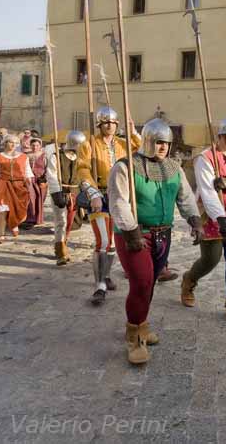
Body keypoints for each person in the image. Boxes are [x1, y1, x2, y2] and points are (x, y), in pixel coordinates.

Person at [108, 119, 202, 365]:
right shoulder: (126, 166)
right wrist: (131, 231)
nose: (163, 147)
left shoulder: (174, 168)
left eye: (166, 143)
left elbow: (185, 197)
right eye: (158, 142)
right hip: (135, 234)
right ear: (148, 140)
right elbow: (118, 201)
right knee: (141, 282)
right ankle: (134, 336)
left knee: (149, 284)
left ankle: (142, 324)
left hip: (164, 234)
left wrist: (195, 220)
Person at [181, 116, 226, 325]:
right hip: (211, 215)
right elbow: (207, 192)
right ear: (221, 135)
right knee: (211, 259)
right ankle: (189, 280)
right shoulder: (205, 158)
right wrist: (220, 219)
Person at [77, 106, 142, 306]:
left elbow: (138, 147)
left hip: (119, 196)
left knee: (114, 242)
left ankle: (105, 275)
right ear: (99, 124)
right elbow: (82, 169)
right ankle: (99, 286)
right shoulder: (89, 144)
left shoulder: (123, 143)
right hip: (99, 195)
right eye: (106, 123)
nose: (110, 126)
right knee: (103, 240)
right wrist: (93, 194)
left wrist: (132, 130)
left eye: (113, 123)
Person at [47, 131, 85, 265]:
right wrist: (56, 193)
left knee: (70, 222)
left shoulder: (80, 157)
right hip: (61, 191)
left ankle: (64, 243)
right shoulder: (56, 156)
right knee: (61, 221)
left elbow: (84, 175)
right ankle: (61, 251)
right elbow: (51, 175)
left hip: (75, 193)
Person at [0, 135, 32, 243]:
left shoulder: (24, 157)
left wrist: (29, 184)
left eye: (15, 143)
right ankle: (1, 234)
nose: (13, 145)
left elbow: (27, 172)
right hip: (2, 184)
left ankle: (14, 223)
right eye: (10, 142)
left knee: (18, 210)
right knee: (3, 209)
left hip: (19, 186)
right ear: (5, 143)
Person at [23, 138, 47, 227]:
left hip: (41, 179)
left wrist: (45, 179)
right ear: (30, 146)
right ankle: (30, 218)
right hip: (29, 179)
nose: (35, 147)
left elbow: (47, 167)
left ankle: (38, 218)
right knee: (30, 198)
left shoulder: (44, 156)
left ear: (40, 146)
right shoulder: (26, 155)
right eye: (33, 145)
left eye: (37, 145)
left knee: (40, 199)